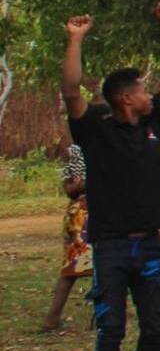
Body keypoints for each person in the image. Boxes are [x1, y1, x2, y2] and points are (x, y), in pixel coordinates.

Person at [61, 5, 160, 351]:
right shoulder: (95, 127)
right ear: (125, 98)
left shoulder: (153, 123)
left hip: (149, 241)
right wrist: (76, 39)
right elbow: (71, 91)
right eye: (143, 90)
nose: (151, 94)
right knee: (110, 326)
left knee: (156, 324)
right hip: (111, 243)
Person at [42, 142, 90, 333]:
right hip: (84, 215)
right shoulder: (85, 149)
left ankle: (52, 319)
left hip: (77, 214)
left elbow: (70, 187)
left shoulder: (75, 151)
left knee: (71, 270)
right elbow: (72, 187)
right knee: (77, 268)